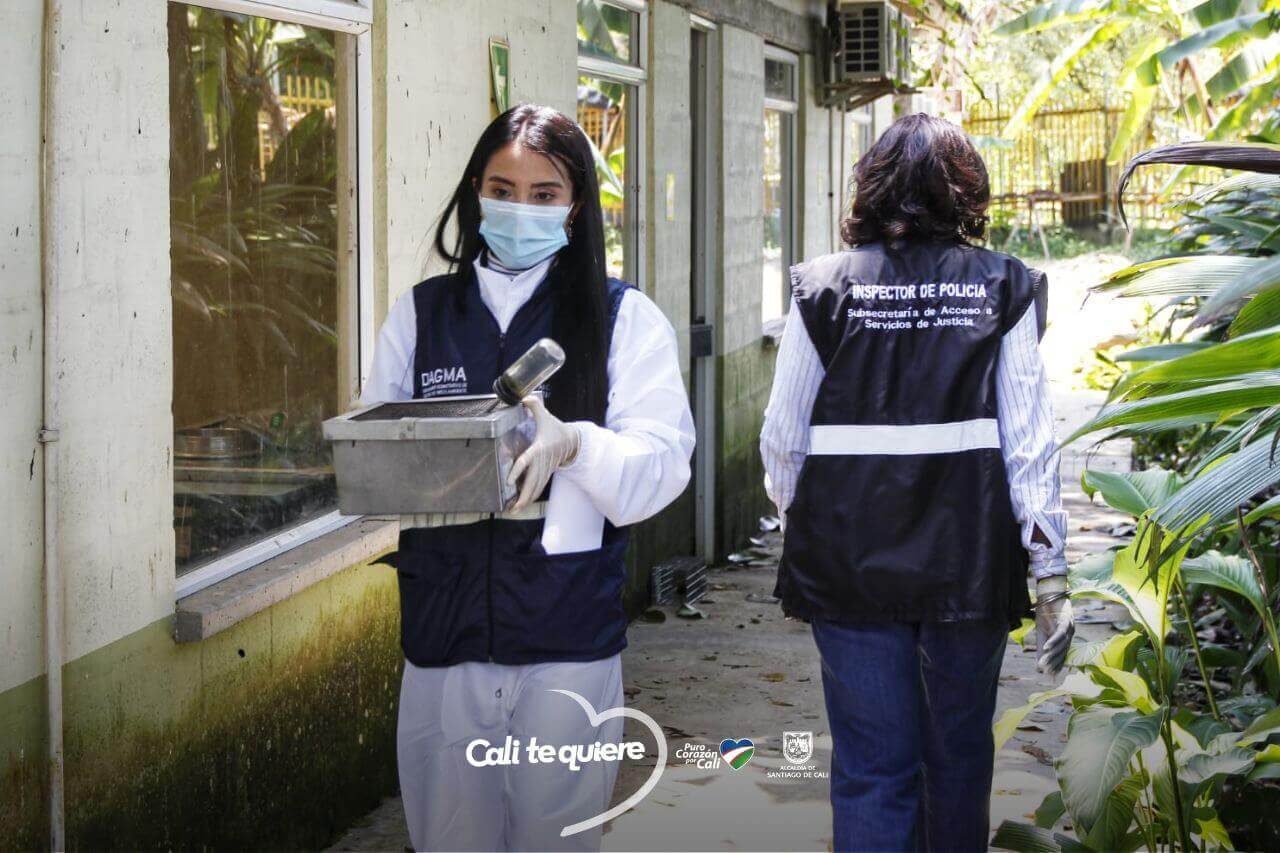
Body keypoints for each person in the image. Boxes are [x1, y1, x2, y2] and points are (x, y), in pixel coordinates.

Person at [360, 104, 695, 852]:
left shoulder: (622, 319)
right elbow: (380, 449)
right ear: (474, 193)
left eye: (544, 194)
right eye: (502, 188)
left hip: (565, 634)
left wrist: (576, 444)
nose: (520, 207)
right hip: (446, 632)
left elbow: (662, 468)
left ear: (575, 207)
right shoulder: (421, 316)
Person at [759, 114, 1074, 852]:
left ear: (869, 186)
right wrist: (1050, 573)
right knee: (958, 763)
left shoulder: (821, 287)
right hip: (968, 565)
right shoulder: (1005, 285)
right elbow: (1030, 443)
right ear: (965, 191)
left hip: (849, 567)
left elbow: (782, 436)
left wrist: (805, 522)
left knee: (873, 768)